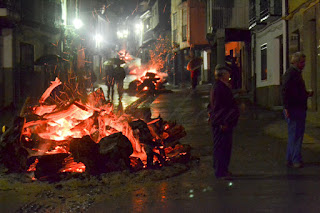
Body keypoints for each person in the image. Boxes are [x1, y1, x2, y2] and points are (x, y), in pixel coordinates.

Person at [208, 64, 240, 179]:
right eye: (227, 73)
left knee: (223, 147)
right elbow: (219, 107)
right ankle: (220, 171)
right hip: (222, 122)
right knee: (222, 147)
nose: (229, 75)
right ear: (223, 75)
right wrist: (224, 122)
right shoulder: (219, 88)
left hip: (223, 121)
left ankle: (222, 169)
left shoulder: (220, 86)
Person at [282, 52, 313, 168]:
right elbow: (285, 91)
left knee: (293, 134)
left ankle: (290, 158)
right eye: (302, 62)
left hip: (295, 107)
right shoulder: (292, 74)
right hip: (295, 108)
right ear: (296, 62)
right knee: (296, 134)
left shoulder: (293, 73)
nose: (304, 64)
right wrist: (286, 107)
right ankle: (295, 159)